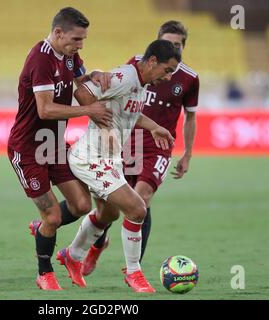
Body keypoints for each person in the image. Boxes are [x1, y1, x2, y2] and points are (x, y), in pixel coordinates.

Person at [56, 39, 180, 293]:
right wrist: (94, 114)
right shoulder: (125, 77)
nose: (168, 78)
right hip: (91, 158)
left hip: (108, 158)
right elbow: (83, 91)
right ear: (153, 61)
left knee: (109, 214)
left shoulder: (141, 86)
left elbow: (130, 114)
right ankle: (134, 273)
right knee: (137, 209)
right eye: (167, 70)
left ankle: (72, 255)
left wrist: (154, 126)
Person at [82, 21, 200, 277]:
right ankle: (97, 244)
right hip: (127, 141)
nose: (172, 47)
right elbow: (116, 89)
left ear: (183, 48)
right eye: (167, 43)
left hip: (157, 147)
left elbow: (190, 117)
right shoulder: (138, 65)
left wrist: (187, 154)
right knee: (107, 202)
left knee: (141, 200)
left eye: (177, 45)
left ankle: (132, 267)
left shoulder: (190, 79)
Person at [7, 7, 113, 291]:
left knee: (81, 205)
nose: (80, 45)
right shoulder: (40, 59)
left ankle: (42, 228)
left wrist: (97, 85)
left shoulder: (69, 55)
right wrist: (88, 109)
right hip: (28, 148)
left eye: (83, 40)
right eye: (76, 39)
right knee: (53, 216)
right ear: (58, 33)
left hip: (53, 144)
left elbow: (80, 86)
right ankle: (44, 273)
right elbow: (44, 109)